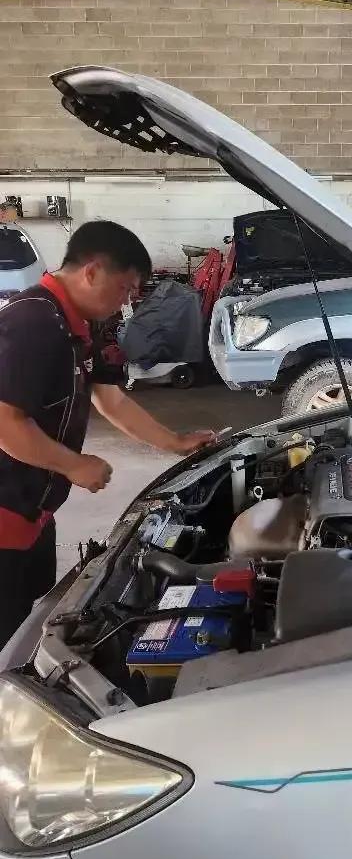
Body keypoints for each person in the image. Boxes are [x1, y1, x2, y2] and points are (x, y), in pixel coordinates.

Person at [0, 220, 216, 649]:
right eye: (125, 289)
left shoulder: (81, 326)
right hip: (3, 515)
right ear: (92, 271)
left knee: (27, 618)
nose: (127, 302)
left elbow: (109, 398)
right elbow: (5, 422)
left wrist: (175, 442)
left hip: (34, 512)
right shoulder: (32, 322)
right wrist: (73, 464)